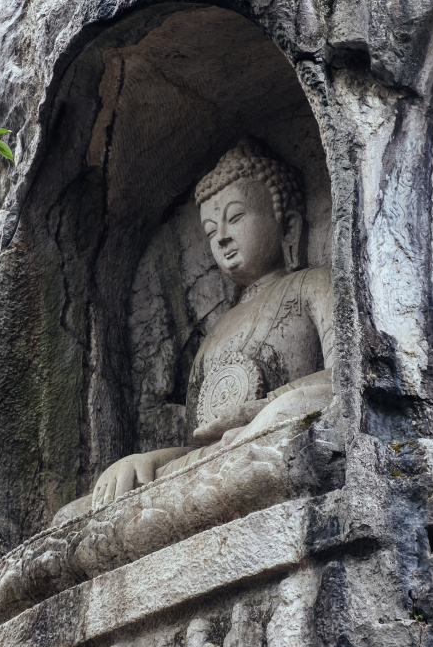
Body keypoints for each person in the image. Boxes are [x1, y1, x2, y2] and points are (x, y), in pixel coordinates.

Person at [55, 137, 335, 524]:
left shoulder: (315, 285)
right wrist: (146, 461)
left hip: (278, 434)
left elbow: (348, 378)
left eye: (235, 217)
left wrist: (263, 408)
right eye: (209, 229)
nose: (221, 237)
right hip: (221, 460)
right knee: (73, 517)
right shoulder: (212, 337)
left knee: (284, 420)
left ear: (286, 223)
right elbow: (198, 442)